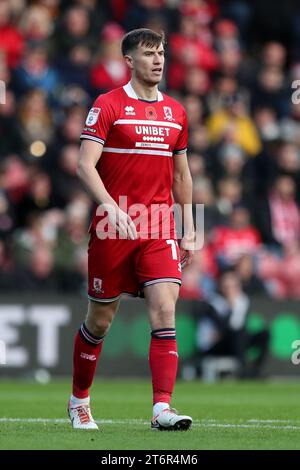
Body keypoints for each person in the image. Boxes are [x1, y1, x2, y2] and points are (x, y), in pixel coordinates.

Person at [68, 28, 195, 431]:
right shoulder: (108, 105)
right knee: (100, 321)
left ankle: (162, 409)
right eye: (148, 54)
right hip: (113, 227)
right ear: (128, 61)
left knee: (164, 308)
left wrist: (189, 226)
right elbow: (85, 166)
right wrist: (109, 207)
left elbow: (181, 175)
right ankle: (79, 401)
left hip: (158, 225)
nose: (158, 60)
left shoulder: (177, 111)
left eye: (161, 53)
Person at [195, 269, 269, 379]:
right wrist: (232, 307)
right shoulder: (212, 302)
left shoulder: (242, 300)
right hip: (213, 346)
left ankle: (256, 370)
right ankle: (243, 371)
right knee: (237, 333)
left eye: (233, 286)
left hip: (235, 341)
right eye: (227, 286)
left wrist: (234, 305)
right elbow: (225, 328)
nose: (230, 289)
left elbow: (238, 325)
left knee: (264, 334)